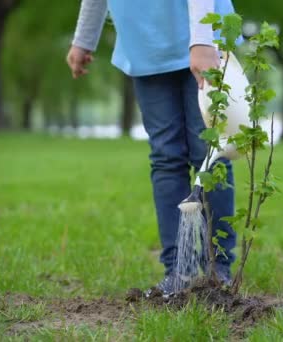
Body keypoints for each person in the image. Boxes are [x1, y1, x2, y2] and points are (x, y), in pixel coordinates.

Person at [66, 0, 238, 296]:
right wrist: (84, 38)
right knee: (166, 157)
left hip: (200, 36)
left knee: (207, 153)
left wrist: (202, 39)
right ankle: (179, 269)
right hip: (146, 45)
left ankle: (218, 268)